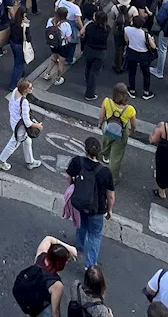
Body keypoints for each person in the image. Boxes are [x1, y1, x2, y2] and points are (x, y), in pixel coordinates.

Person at [66, 137, 115, 267]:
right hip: (97, 209)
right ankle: (90, 265)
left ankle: (79, 246)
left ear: (85, 150)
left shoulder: (77, 162)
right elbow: (110, 195)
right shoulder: (105, 172)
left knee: (81, 224)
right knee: (95, 235)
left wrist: (74, 186)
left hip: (80, 203)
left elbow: (68, 176)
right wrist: (109, 210)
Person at [0, 78, 43, 171]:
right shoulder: (24, 102)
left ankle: (30, 162)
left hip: (14, 122)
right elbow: (27, 122)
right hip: (20, 128)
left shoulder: (15, 91)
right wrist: (38, 126)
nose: (32, 89)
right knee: (13, 143)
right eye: (30, 88)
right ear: (25, 90)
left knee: (27, 141)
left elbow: (10, 106)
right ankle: (0, 162)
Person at [98, 84, 135, 181]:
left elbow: (102, 116)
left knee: (107, 142)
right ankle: (112, 178)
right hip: (121, 133)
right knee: (116, 157)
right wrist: (132, 131)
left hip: (108, 128)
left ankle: (105, 156)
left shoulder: (107, 101)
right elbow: (133, 124)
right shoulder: (130, 109)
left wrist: (100, 124)